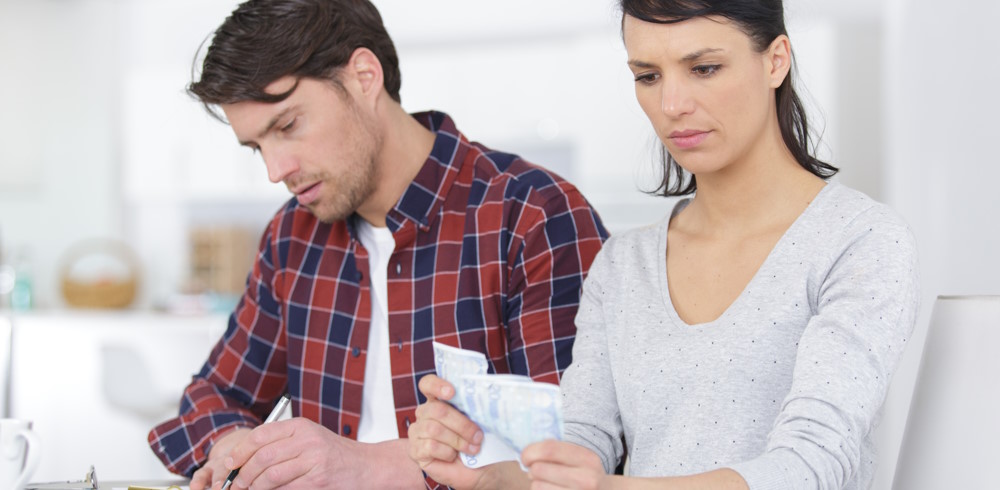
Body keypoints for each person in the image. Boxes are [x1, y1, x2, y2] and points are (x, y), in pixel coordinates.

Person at [407, 0, 920, 489]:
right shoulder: (624, 264)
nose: (672, 104)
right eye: (648, 76)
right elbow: (583, 445)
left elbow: (810, 467)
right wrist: (493, 474)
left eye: (704, 68)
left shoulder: (859, 241)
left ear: (776, 62)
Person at [145, 1, 608, 488]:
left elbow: (574, 459)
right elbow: (214, 397)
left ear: (364, 76)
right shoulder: (291, 238)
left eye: (287, 126)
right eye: (258, 146)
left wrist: (369, 465)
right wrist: (238, 450)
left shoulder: (534, 217)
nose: (275, 170)